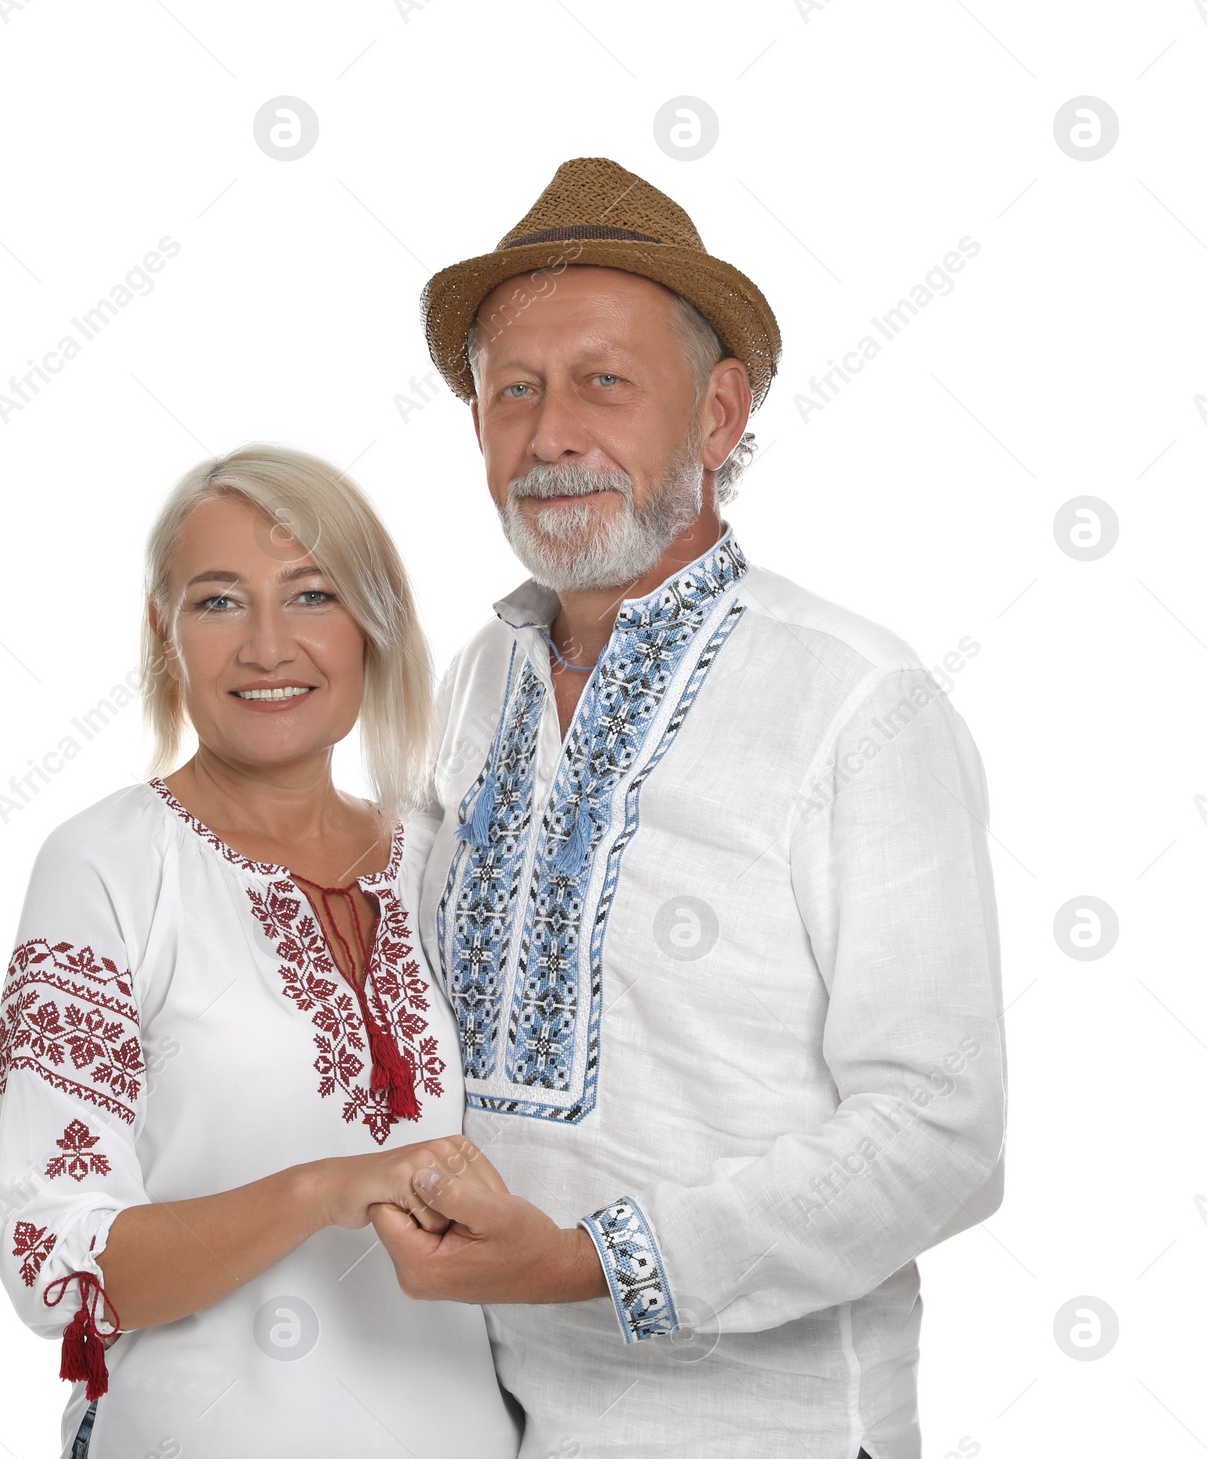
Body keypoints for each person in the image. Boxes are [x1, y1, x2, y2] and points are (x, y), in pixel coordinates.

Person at [371, 156, 1009, 1459]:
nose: (550, 434)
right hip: (482, 1415)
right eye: (513, 391)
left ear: (720, 414)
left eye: (604, 381)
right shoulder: (479, 679)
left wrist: (579, 1261)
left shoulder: (855, 701)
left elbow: (940, 1130)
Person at [0, 445, 520, 1459]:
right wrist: (321, 1189)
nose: (268, 646)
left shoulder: (443, 862)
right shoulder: (105, 867)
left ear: (373, 623)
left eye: (311, 594)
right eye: (219, 602)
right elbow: (49, 1258)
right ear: (165, 633)